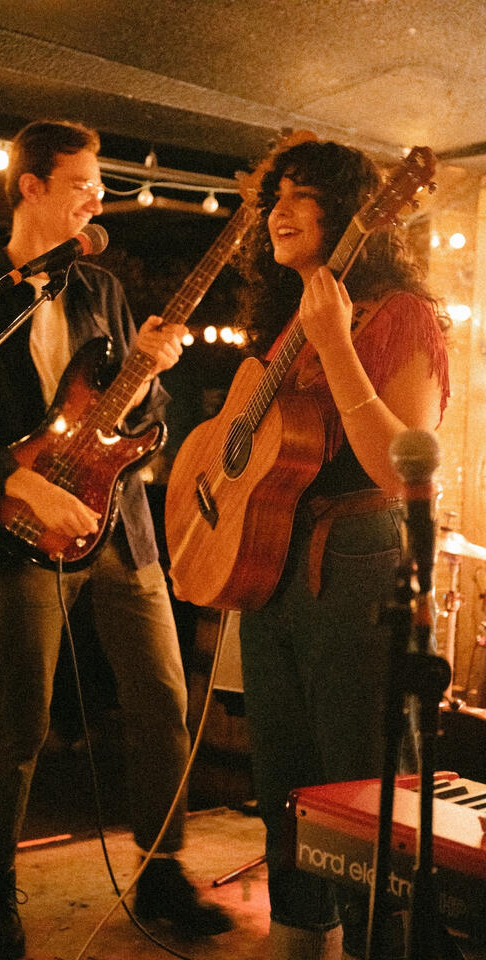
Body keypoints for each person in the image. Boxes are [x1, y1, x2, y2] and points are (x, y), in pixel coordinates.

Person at [0, 119, 232, 960]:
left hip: (122, 527)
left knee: (163, 700)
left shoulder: (103, 291)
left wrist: (151, 374)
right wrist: (25, 485)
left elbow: (140, 420)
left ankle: (161, 872)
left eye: (100, 185)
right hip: (27, 532)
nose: (99, 199)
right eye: (83, 184)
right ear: (31, 187)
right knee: (19, 716)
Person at [235, 138, 449, 960]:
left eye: (303, 194)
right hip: (274, 565)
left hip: (358, 558)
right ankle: (298, 943)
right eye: (276, 196)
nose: (279, 210)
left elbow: (401, 470)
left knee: (363, 801)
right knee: (283, 792)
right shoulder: (288, 320)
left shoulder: (401, 314)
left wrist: (335, 344)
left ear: (355, 213)